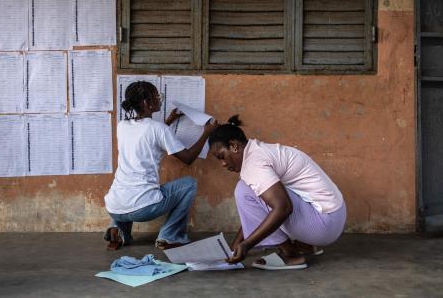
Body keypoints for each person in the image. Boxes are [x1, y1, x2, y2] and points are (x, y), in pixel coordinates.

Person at [208, 115, 346, 270]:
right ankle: (305, 245)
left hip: (323, 224)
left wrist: (247, 244)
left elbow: (283, 207)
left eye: (222, 156)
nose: (223, 164)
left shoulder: (254, 164)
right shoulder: (259, 151)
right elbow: (258, 206)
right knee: (254, 190)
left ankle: (289, 253)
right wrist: (237, 243)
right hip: (334, 216)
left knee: (243, 190)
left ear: (233, 146)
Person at [104, 81, 218, 250]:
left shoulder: (122, 126)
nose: (159, 99)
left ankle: (119, 231)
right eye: (157, 97)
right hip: (144, 208)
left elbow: (147, 137)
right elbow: (188, 158)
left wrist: (169, 121)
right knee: (189, 184)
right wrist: (206, 133)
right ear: (146, 103)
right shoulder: (158, 129)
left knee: (125, 193)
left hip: (114, 207)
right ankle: (169, 236)